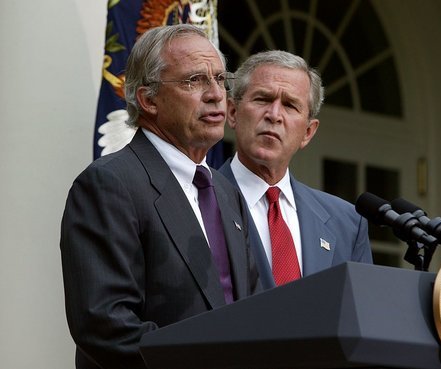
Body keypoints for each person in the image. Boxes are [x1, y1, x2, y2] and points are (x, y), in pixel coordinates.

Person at [60, 24, 260, 369]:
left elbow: (251, 310)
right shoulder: (110, 184)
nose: (216, 94)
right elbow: (105, 324)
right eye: (194, 81)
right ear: (148, 99)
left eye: (219, 80)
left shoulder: (226, 193)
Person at [218, 50, 373, 289]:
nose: (274, 115)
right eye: (262, 99)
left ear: (308, 132)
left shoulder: (347, 223)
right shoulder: (200, 200)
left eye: (290, 105)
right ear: (232, 112)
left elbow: (360, 316)